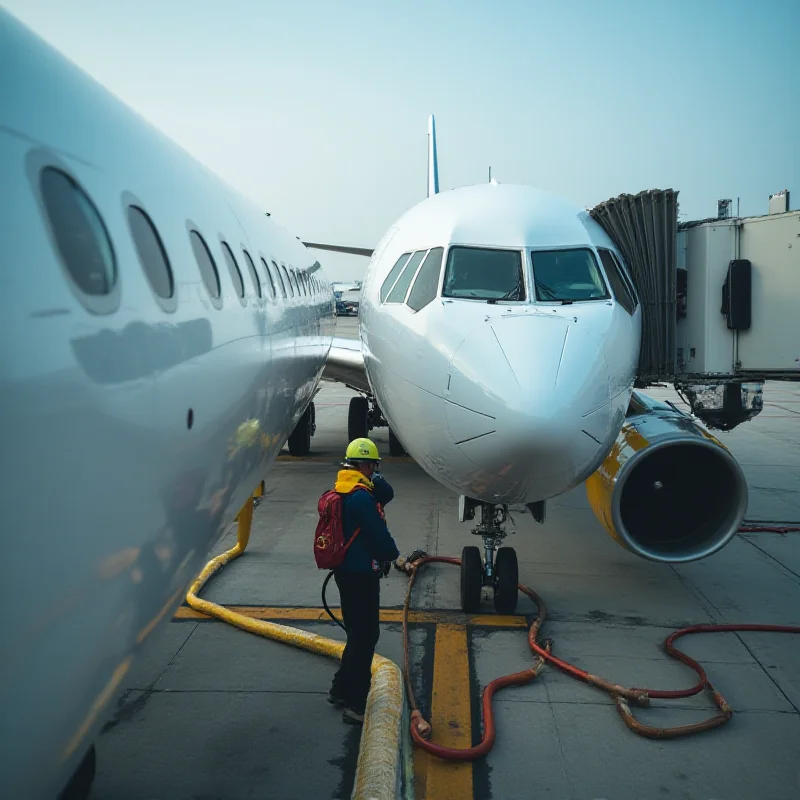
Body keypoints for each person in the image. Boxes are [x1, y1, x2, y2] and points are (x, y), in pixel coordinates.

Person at [328, 437, 399, 725]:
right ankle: (356, 704)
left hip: (345, 573)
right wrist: (393, 555)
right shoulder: (360, 497)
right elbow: (377, 535)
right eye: (373, 467)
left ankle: (340, 688)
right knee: (366, 636)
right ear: (367, 465)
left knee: (356, 633)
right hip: (361, 574)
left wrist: (374, 476)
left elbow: (387, 494)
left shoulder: (344, 487)